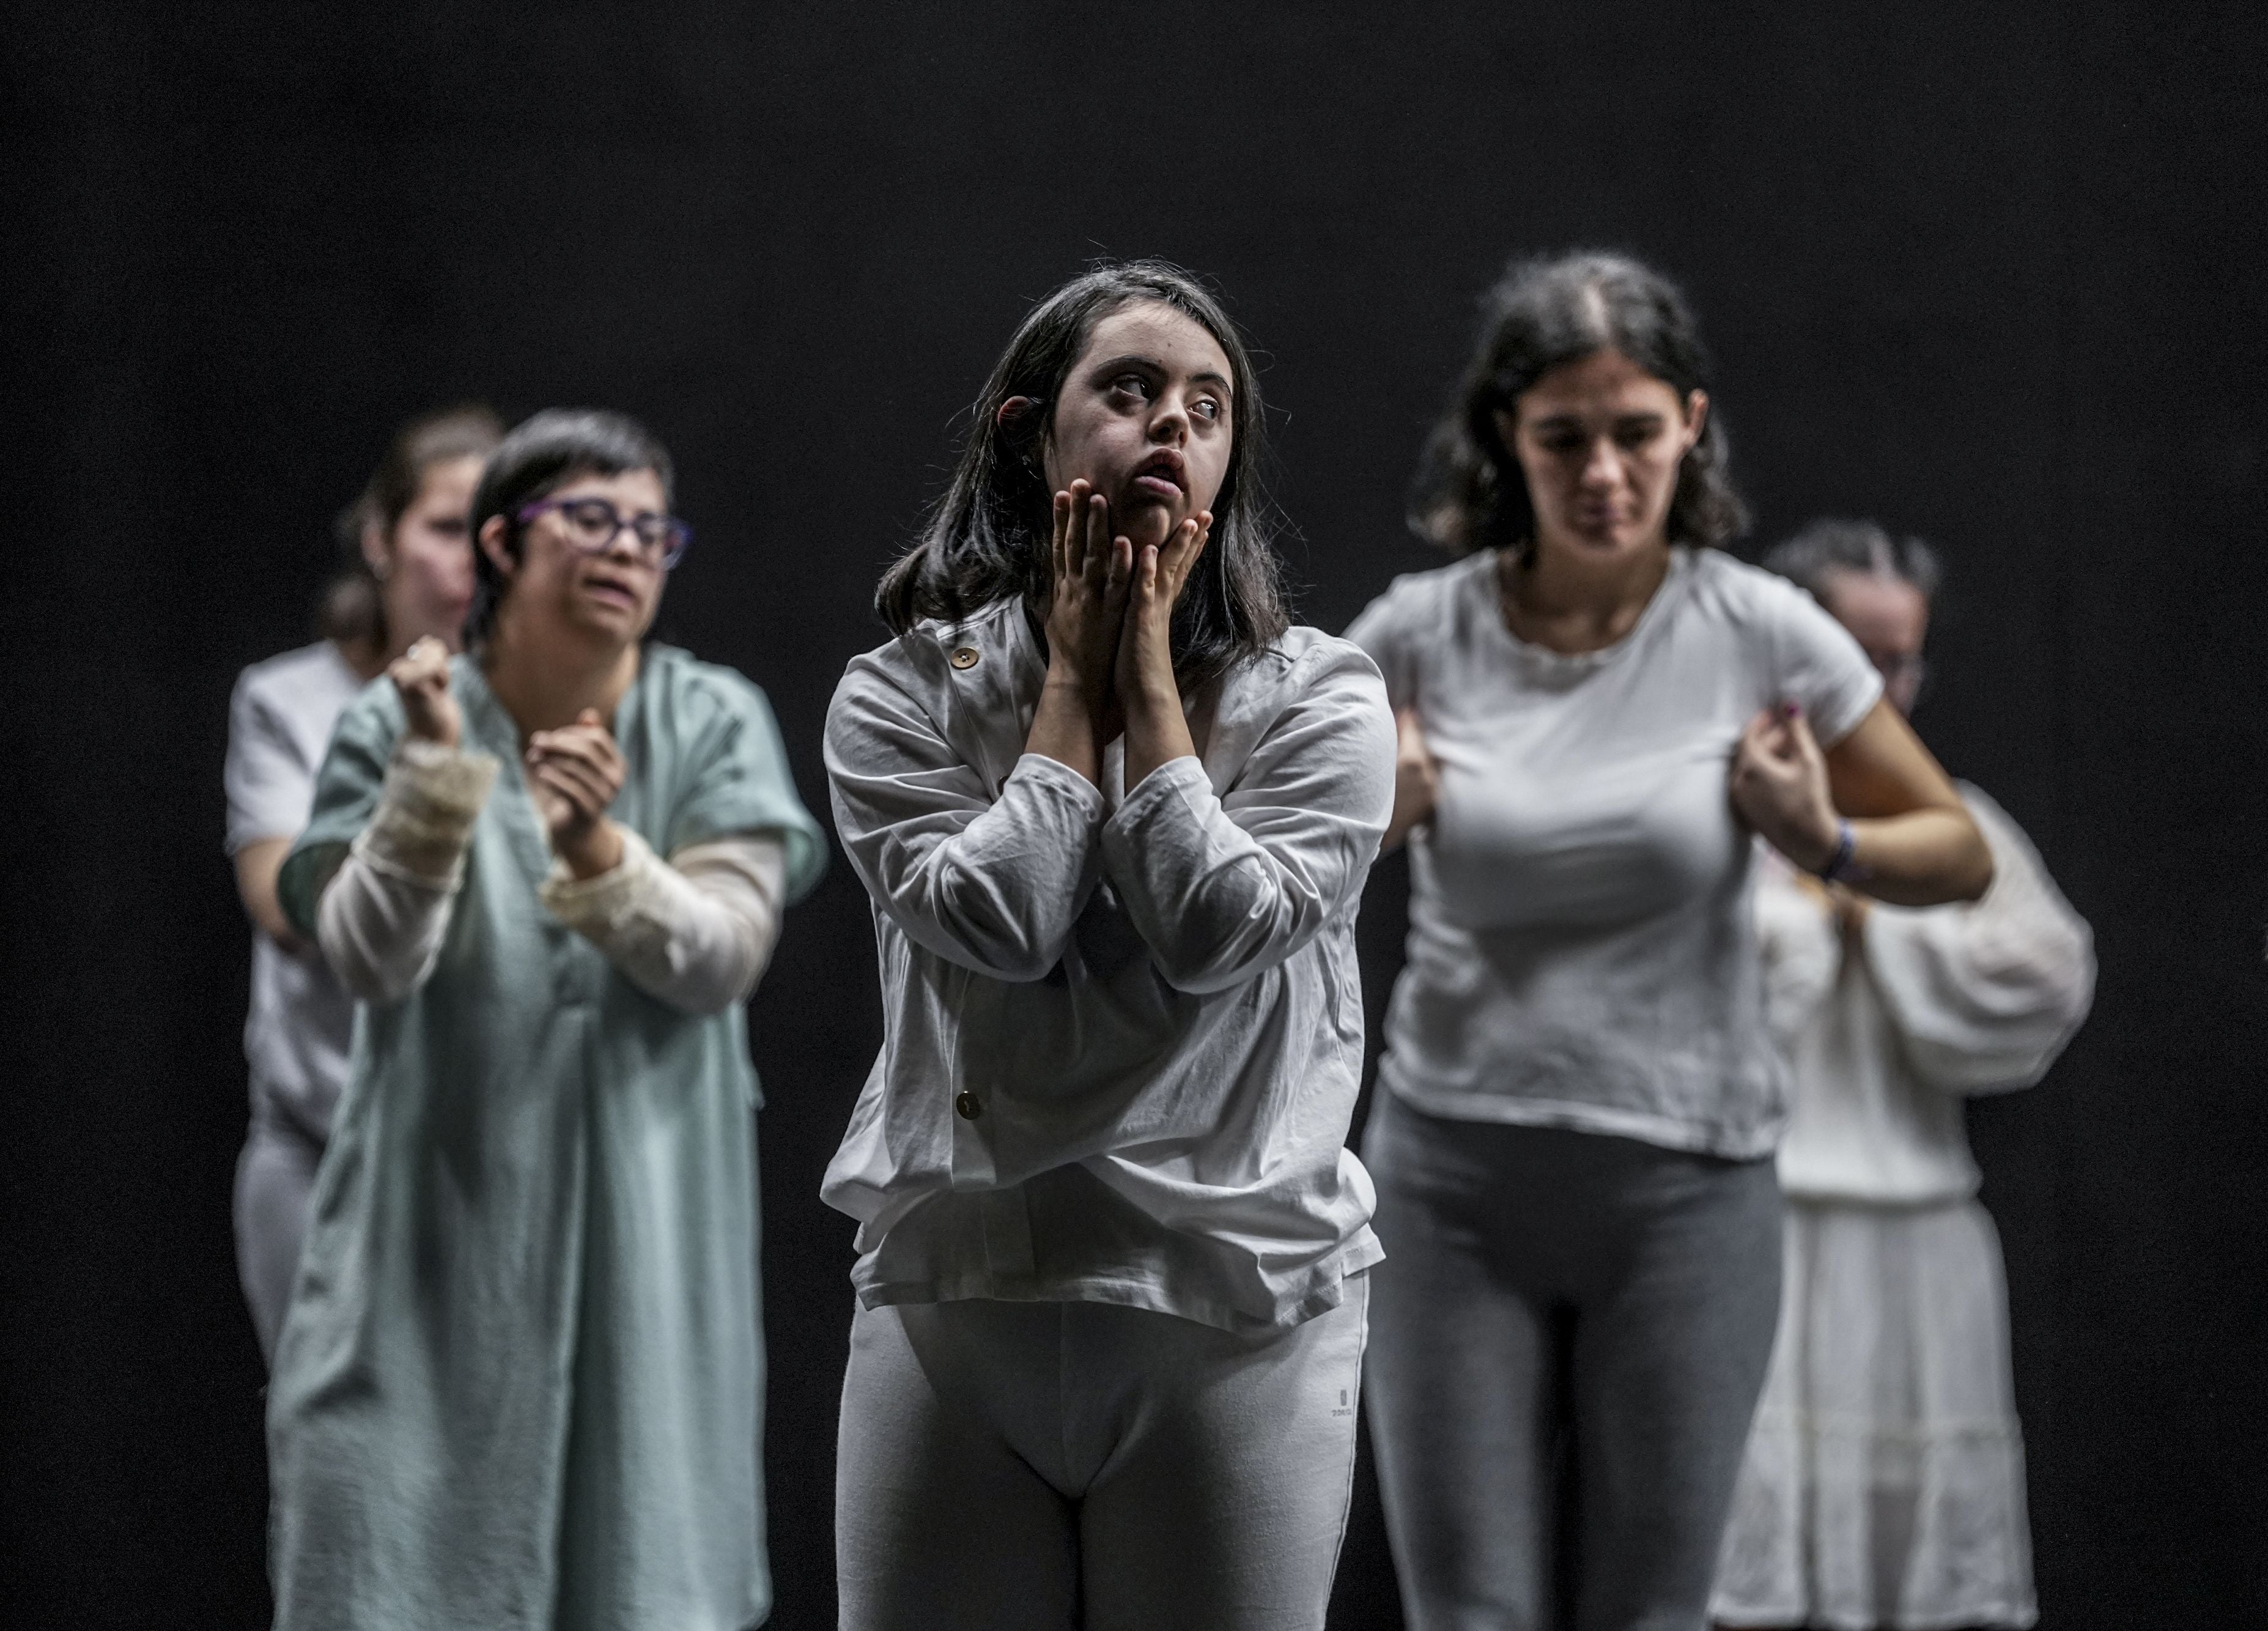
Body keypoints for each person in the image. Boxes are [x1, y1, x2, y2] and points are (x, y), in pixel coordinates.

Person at [1345, 251, 1996, 1631]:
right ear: (1503, 438)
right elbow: (1241, 853)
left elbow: (1959, 849)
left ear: (1688, 426)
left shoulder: (1758, 628)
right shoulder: (1418, 631)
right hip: (1455, 1176)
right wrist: (1368, 811)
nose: (1600, 473)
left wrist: (1824, 838)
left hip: (1685, 1190)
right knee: (1468, 1612)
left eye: (1634, 432)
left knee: (1653, 1613)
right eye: (1561, 436)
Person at [822, 261, 1396, 1630]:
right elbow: (1003, 924)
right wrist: (1071, 686)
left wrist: (1139, 680)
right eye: (1127, 391)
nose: (1171, 427)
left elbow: (1215, 934)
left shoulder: (1323, 693)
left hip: (1236, 1305)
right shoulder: (901, 692)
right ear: (1031, 429)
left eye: (1207, 405)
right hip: (962, 1294)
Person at [266, 409, 826, 1630]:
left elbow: (722, 955)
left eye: (647, 527)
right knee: (391, 1569)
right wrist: (430, 776)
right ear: (503, 544)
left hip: (650, 1254)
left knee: (638, 1573)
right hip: (425, 1255)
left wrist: (595, 849)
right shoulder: (397, 718)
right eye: (589, 518)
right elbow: (369, 956)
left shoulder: (713, 717)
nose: (625, 547)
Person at [1711, 522, 2094, 1631]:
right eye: (1854, 653)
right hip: (1746, 1230)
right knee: (1741, 1552)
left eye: (1900, 660)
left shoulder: (1955, 826)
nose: (1880, 687)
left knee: (1915, 1575)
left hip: (1916, 1241)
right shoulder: (1713, 814)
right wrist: (1806, 906)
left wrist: (1862, 885)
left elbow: (2045, 980)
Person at [223, 402, 501, 1363]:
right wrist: (429, 783)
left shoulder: (551, 705)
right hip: (322, 1150)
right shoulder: (290, 701)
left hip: (497, 1160)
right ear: (380, 541)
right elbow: (286, 905)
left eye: (498, 529)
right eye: (446, 526)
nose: (472, 556)